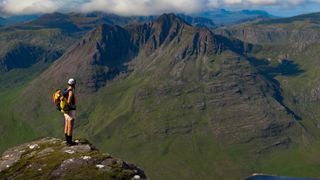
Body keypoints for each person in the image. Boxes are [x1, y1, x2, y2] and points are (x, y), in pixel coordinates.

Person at [64, 78, 77, 146]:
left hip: (65, 110)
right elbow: (69, 101)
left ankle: (67, 140)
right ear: (74, 84)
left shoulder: (66, 90)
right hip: (70, 110)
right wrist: (72, 106)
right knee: (70, 126)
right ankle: (69, 142)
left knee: (66, 124)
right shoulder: (71, 91)